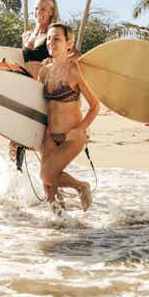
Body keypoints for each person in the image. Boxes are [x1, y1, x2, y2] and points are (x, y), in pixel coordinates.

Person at [38, 23, 100, 211]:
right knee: (49, 189)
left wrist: (79, 129)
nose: (51, 42)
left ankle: (81, 186)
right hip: (49, 135)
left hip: (71, 137)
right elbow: (38, 107)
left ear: (69, 43)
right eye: (49, 38)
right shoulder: (44, 72)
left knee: (46, 174)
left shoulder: (74, 70)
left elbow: (95, 105)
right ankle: (60, 225)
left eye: (56, 38)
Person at [20, 0, 59, 77]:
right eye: (36, 8)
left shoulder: (56, 35)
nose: (38, 12)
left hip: (44, 86)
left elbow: (73, 58)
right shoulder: (27, 36)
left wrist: (54, 62)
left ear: (51, 12)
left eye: (43, 9)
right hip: (24, 83)